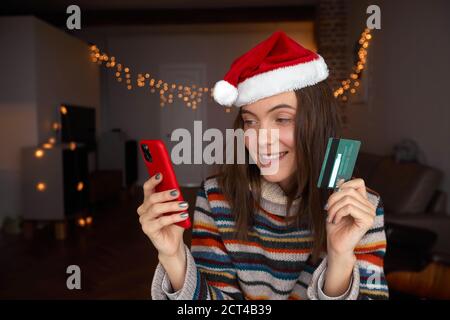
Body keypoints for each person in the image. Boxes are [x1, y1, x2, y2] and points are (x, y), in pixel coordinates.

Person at [137, 31, 389, 300]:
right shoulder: (215, 197)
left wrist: (339, 260)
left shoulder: (359, 209)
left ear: (317, 122)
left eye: (282, 118)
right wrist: (173, 256)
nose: (260, 140)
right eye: (250, 121)